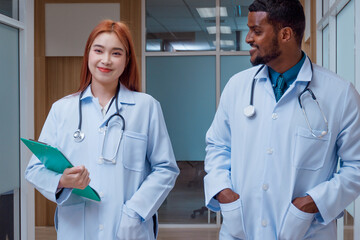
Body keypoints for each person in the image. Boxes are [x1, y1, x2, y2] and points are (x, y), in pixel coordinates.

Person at [204, 0, 360, 239]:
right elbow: (218, 146)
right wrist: (224, 192)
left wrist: (311, 204)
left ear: (285, 34)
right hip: (241, 230)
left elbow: (356, 167)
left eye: (257, 31)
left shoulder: (340, 94)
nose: (248, 38)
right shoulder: (238, 86)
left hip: (307, 231)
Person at [25, 20, 179, 240]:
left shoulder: (146, 107)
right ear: (88, 54)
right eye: (98, 50)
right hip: (76, 229)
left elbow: (165, 168)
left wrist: (134, 212)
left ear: (127, 60)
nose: (106, 60)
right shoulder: (62, 109)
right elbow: (34, 170)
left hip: (127, 228)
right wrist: (62, 181)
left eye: (116, 53)